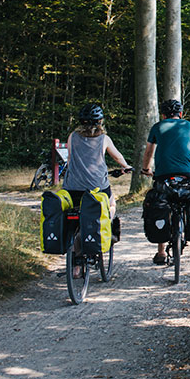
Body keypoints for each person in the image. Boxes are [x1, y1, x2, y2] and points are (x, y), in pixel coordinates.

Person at [63, 103, 132, 277]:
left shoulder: (72, 136)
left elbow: (71, 159)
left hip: (72, 187)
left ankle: (76, 266)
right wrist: (126, 166)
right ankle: (105, 233)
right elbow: (117, 156)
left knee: (75, 218)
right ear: (100, 121)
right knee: (110, 205)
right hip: (97, 187)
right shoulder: (104, 139)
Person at [141, 99, 190, 265]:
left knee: (161, 204)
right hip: (188, 173)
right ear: (181, 114)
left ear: (163, 114)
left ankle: (161, 252)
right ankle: (186, 229)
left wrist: (146, 169)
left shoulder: (158, 127)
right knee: (187, 199)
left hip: (163, 174)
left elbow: (149, 152)